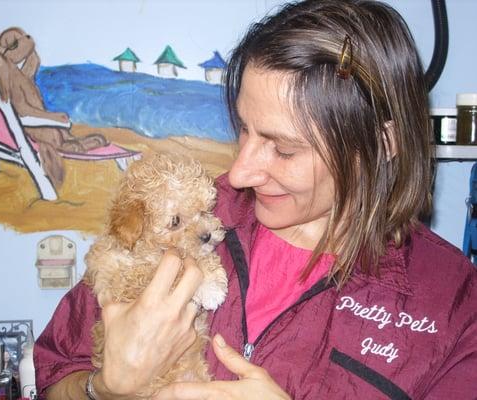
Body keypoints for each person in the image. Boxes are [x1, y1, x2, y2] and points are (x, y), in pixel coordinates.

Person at [34, 0, 477, 399]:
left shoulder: (455, 303)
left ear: (381, 144)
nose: (240, 172)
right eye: (243, 128)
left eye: (283, 149)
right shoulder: (182, 224)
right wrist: (103, 390)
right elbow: (54, 375)